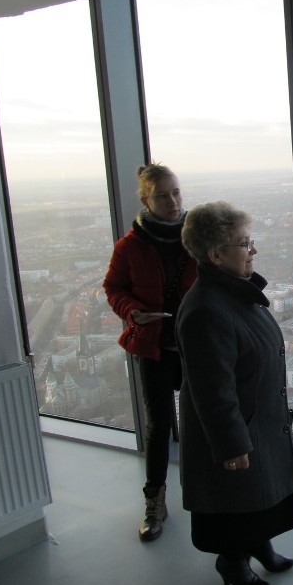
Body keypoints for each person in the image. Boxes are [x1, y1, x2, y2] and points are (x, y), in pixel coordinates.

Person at [176, 201, 293, 585]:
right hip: (237, 428)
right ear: (216, 255)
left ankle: (259, 545)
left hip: (258, 420)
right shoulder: (206, 310)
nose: (253, 251)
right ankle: (233, 562)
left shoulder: (233, 293)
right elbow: (212, 390)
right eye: (244, 243)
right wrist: (231, 443)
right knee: (237, 500)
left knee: (259, 494)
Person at [103, 163, 197, 541]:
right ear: (146, 200)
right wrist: (132, 311)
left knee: (203, 424)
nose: (173, 201)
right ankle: (155, 504)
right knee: (159, 426)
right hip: (155, 346)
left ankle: (214, 499)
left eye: (176, 192)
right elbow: (114, 289)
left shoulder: (198, 235)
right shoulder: (130, 247)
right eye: (163, 195)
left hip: (194, 345)